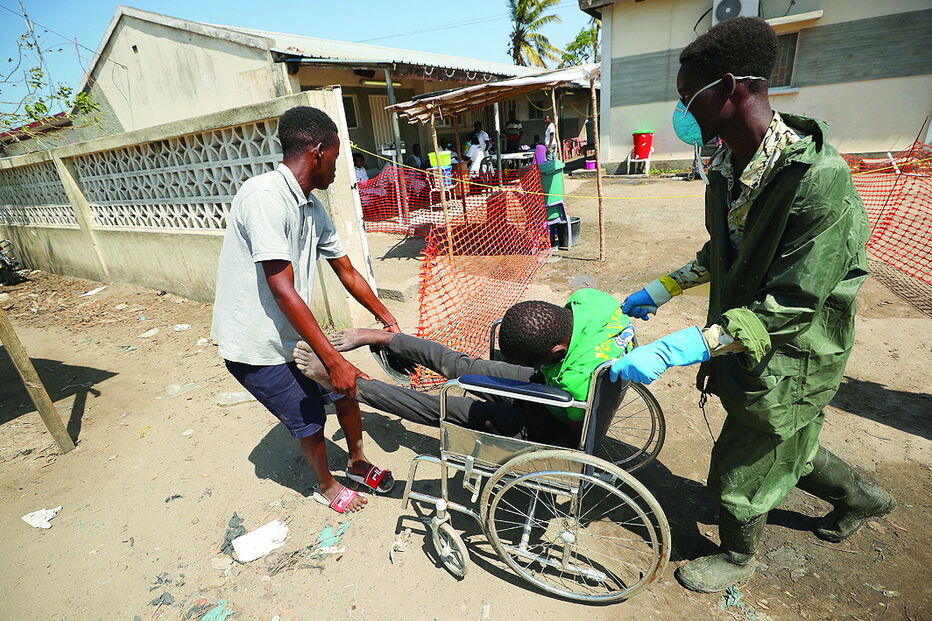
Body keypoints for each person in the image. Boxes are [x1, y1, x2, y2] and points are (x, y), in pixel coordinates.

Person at [608, 18, 895, 593]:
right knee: (791, 441)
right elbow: (729, 246)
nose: (683, 111)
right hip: (748, 336)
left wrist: (689, 345)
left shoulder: (816, 180)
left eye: (689, 97)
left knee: (745, 455)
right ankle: (863, 498)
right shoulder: (728, 167)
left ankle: (739, 557)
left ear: (732, 87)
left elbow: (794, 302)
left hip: (795, 348)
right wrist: (666, 286)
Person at [211, 106, 400, 515]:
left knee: (347, 388)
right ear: (317, 152)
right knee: (310, 414)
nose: (338, 167)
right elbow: (282, 288)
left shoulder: (312, 209)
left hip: (292, 333)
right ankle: (326, 484)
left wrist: (388, 321)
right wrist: (332, 358)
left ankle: (356, 461)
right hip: (255, 343)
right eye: (336, 156)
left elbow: (347, 271)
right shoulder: (264, 196)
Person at [291, 289, 635, 446]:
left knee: (443, 405)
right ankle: (383, 338)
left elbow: (572, 436)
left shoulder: (576, 379)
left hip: (557, 415)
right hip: (555, 382)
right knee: (467, 366)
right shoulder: (594, 303)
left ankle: (353, 386)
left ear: (557, 349)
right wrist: (522, 375)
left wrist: (507, 399)